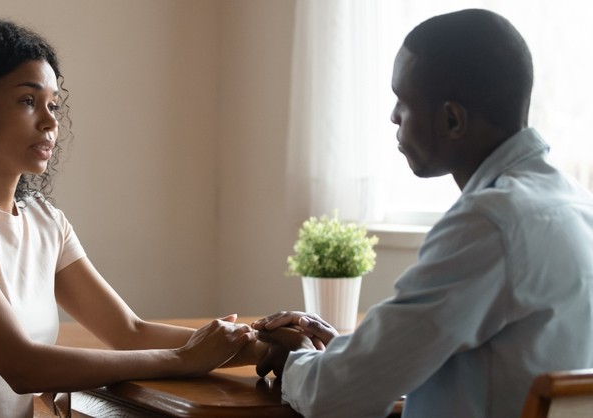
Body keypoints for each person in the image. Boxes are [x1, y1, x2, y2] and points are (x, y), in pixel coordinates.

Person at [0, 15, 260, 418]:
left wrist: (261, 344)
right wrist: (182, 360)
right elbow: (23, 367)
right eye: (28, 101)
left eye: (53, 105)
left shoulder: (46, 222)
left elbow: (128, 332)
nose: (50, 122)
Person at [252, 8, 593, 418]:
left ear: (452, 119)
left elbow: (337, 398)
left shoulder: (489, 223)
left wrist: (300, 359)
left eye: (403, 100)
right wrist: (350, 348)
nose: (393, 116)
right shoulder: (574, 203)